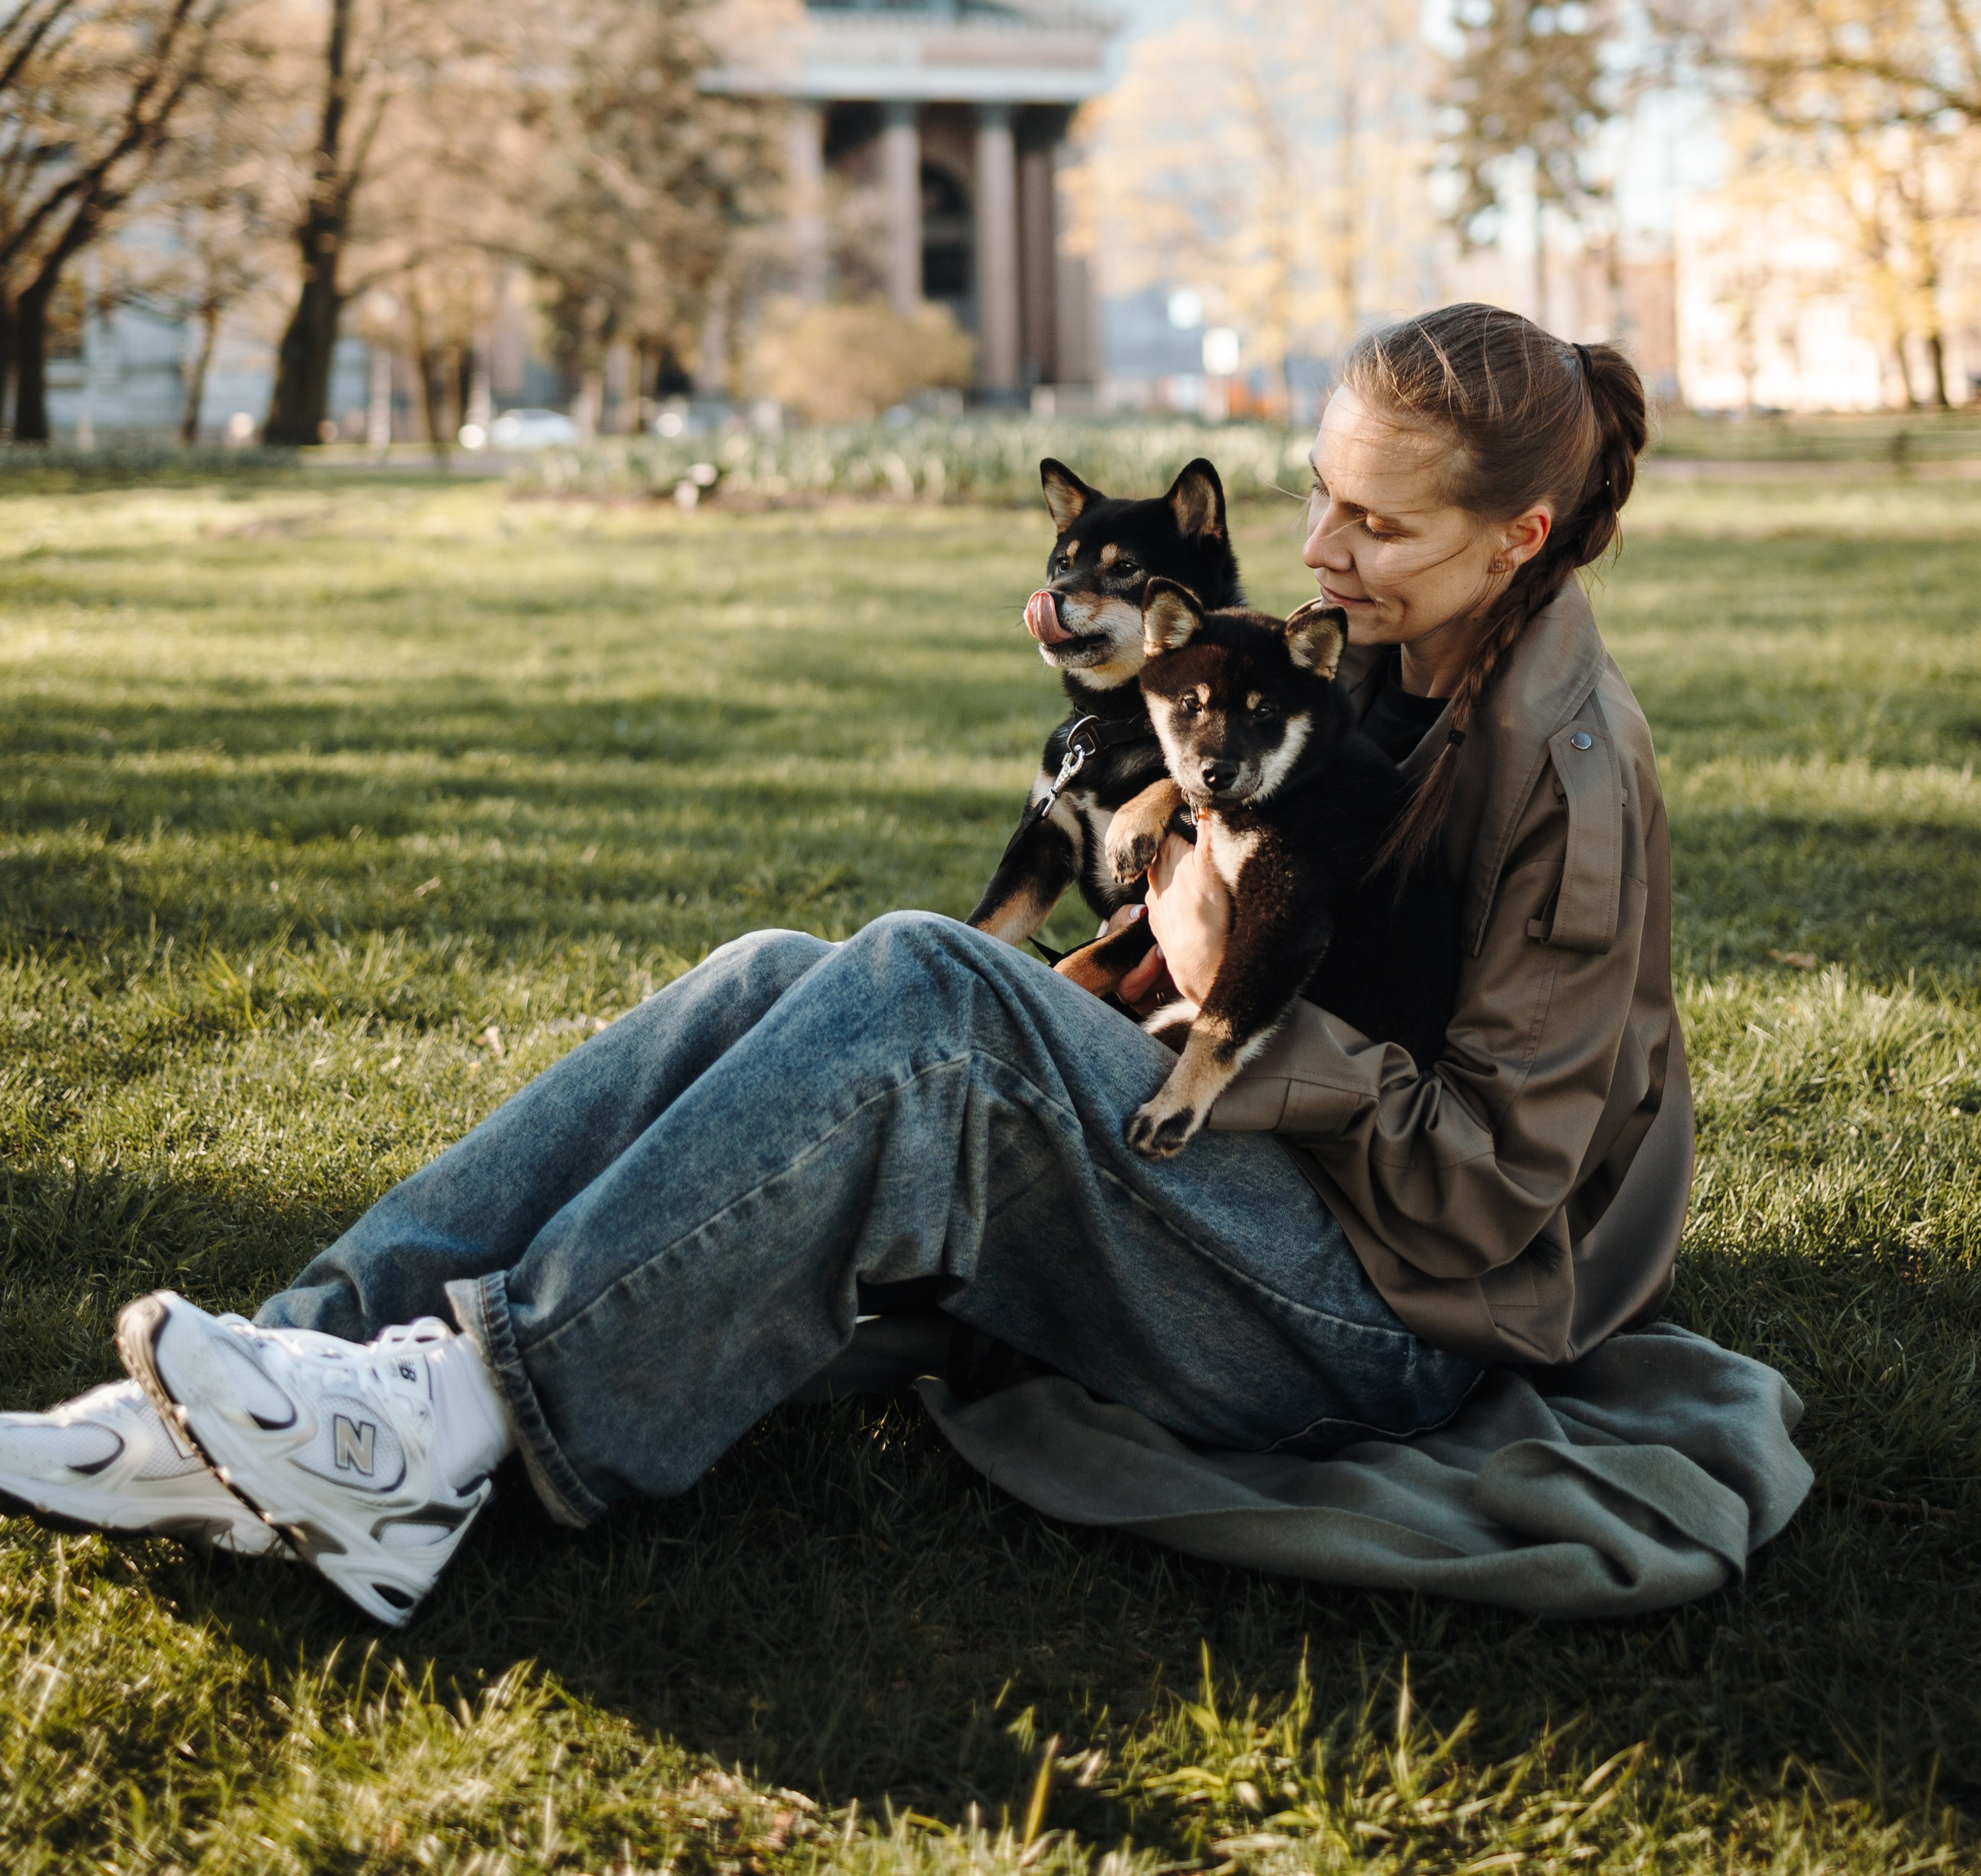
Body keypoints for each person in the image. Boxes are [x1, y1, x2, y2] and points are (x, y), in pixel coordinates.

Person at [0, 304, 1689, 1629]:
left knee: (926, 994)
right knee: (772, 971)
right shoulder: (1379, 649)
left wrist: (1233, 993)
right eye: (1317, 493)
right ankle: (266, 1390)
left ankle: (442, 1436)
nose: (1319, 548)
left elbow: (1483, 1197)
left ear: (1517, 536)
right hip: (1273, 1206)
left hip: (1380, 1318)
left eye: (1376, 524)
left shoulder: (1567, 782)